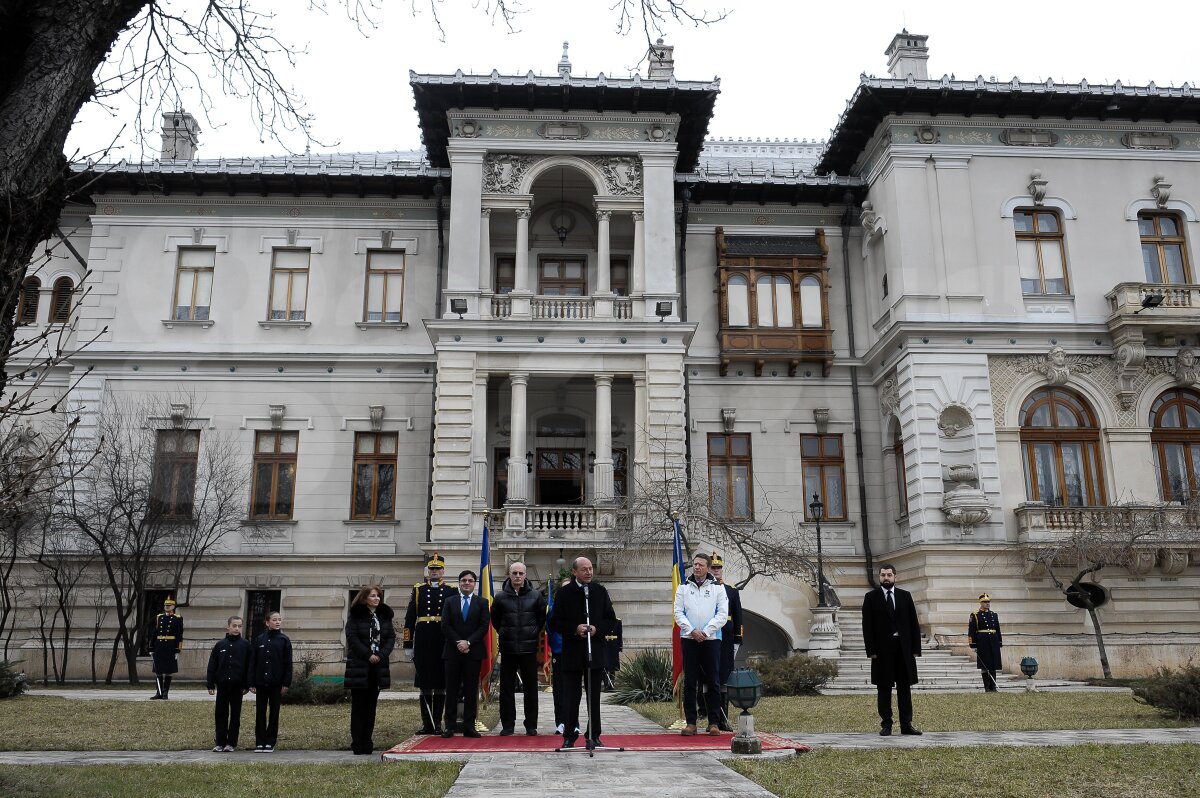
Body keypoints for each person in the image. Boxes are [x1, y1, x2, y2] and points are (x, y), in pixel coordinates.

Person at [550, 557, 617, 749]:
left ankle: (594, 734)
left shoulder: (599, 591)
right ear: (574, 572)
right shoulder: (564, 593)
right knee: (571, 697)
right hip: (572, 652)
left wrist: (597, 629)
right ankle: (569, 735)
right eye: (584, 569)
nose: (589, 572)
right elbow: (555, 622)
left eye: (590, 569)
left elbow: (610, 619)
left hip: (594, 651)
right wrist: (574, 628)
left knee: (593, 696)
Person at [862, 563, 922, 736]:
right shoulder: (870, 597)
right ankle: (886, 724)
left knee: (905, 688)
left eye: (889, 575)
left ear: (896, 577)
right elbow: (867, 626)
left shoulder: (905, 596)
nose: (886, 578)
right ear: (879, 577)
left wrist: (916, 648)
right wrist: (871, 650)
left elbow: (913, 624)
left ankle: (906, 724)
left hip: (903, 649)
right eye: (883, 575)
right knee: (884, 688)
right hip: (882, 651)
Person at [673, 552, 728, 736]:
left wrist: (706, 631)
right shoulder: (683, 587)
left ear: (708, 567)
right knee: (690, 681)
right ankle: (691, 722)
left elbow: (722, 614)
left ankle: (713, 722)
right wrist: (692, 631)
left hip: (711, 640)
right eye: (695, 564)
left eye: (701, 565)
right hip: (689, 639)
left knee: (712, 681)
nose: (697, 567)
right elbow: (678, 613)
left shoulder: (717, 588)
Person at [490, 561, 547, 736]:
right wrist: (507, 633)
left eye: (520, 573)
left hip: (529, 649)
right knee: (507, 688)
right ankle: (508, 725)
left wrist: (531, 633)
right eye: (514, 573)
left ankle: (531, 724)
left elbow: (541, 619)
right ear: (509, 574)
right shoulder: (500, 597)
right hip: (508, 648)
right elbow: (496, 621)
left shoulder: (536, 596)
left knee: (531, 688)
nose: (517, 576)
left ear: (525, 575)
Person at [402, 552, 454, 735]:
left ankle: (438, 723)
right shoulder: (418, 590)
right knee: (425, 683)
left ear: (443, 571)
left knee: (440, 683)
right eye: (432, 569)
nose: (434, 572)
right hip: (423, 640)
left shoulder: (451, 590)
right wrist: (408, 644)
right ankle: (427, 723)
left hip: (442, 639)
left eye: (438, 569)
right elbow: (409, 619)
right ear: (427, 570)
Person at [345, 585, 396, 754]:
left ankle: (368, 742)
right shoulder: (356, 616)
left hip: (378, 667)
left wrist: (381, 654)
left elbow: (390, 638)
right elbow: (352, 638)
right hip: (360, 666)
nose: (377, 599)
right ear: (364, 598)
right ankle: (357, 743)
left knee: (371, 707)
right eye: (373, 596)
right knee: (359, 707)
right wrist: (368, 654)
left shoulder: (383, 616)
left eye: (378, 596)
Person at [440, 569, 489, 738]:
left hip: (473, 652)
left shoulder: (482, 603)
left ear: (474, 584)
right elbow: (445, 625)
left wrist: (468, 642)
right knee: (451, 689)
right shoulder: (449, 601)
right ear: (459, 583)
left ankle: (469, 726)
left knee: (470, 690)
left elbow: (483, 626)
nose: (466, 583)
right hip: (452, 652)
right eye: (463, 580)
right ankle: (450, 726)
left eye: (470, 580)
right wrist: (458, 643)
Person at [248, 611, 292, 752]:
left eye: (279, 619)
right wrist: (251, 682)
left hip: (276, 683)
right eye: (274, 619)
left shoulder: (284, 640)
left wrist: (286, 683)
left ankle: (270, 742)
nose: (277, 622)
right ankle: (260, 741)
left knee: (274, 712)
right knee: (260, 712)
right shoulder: (259, 639)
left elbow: (288, 663)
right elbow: (252, 662)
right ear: (267, 622)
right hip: (261, 682)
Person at [206, 615, 250, 752]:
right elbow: (212, 665)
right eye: (234, 626)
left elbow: (249, 666)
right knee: (220, 714)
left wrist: (247, 685)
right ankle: (220, 742)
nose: (237, 628)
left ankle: (231, 743)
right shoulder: (220, 645)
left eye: (239, 626)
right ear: (228, 627)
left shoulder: (246, 645)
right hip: (223, 685)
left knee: (235, 715)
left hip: (238, 686)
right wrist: (210, 684)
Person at [709, 552, 743, 731]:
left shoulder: (731, 590)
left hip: (727, 638)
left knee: (724, 678)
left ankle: (723, 719)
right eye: (713, 568)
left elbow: (738, 616)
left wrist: (738, 638)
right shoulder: (705, 589)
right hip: (709, 636)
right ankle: (711, 719)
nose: (716, 570)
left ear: (722, 569)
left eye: (718, 567)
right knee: (709, 678)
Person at [149, 596, 184, 700]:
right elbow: (154, 633)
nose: (167, 607)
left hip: (170, 646)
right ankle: (158, 692)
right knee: (158, 670)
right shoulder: (160, 617)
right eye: (165, 605)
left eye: (169, 605)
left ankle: (165, 693)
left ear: (173, 606)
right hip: (159, 646)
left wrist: (177, 649)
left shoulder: (177, 618)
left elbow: (179, 635)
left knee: (168, 671)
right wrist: (151, 647)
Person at [968, 593, 1003, 692]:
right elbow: (971, 631)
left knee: (993, 664)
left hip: (993, 641)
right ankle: (987, 687)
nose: (987, 604)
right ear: (980, 603)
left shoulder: (994, 615)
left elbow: (997, 629)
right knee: (985, 665)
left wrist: (999, 642)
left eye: (988, 602)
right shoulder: (975, 615)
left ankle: (993, 687)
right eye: (984, 602)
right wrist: (973, 644)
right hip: (982, 642)